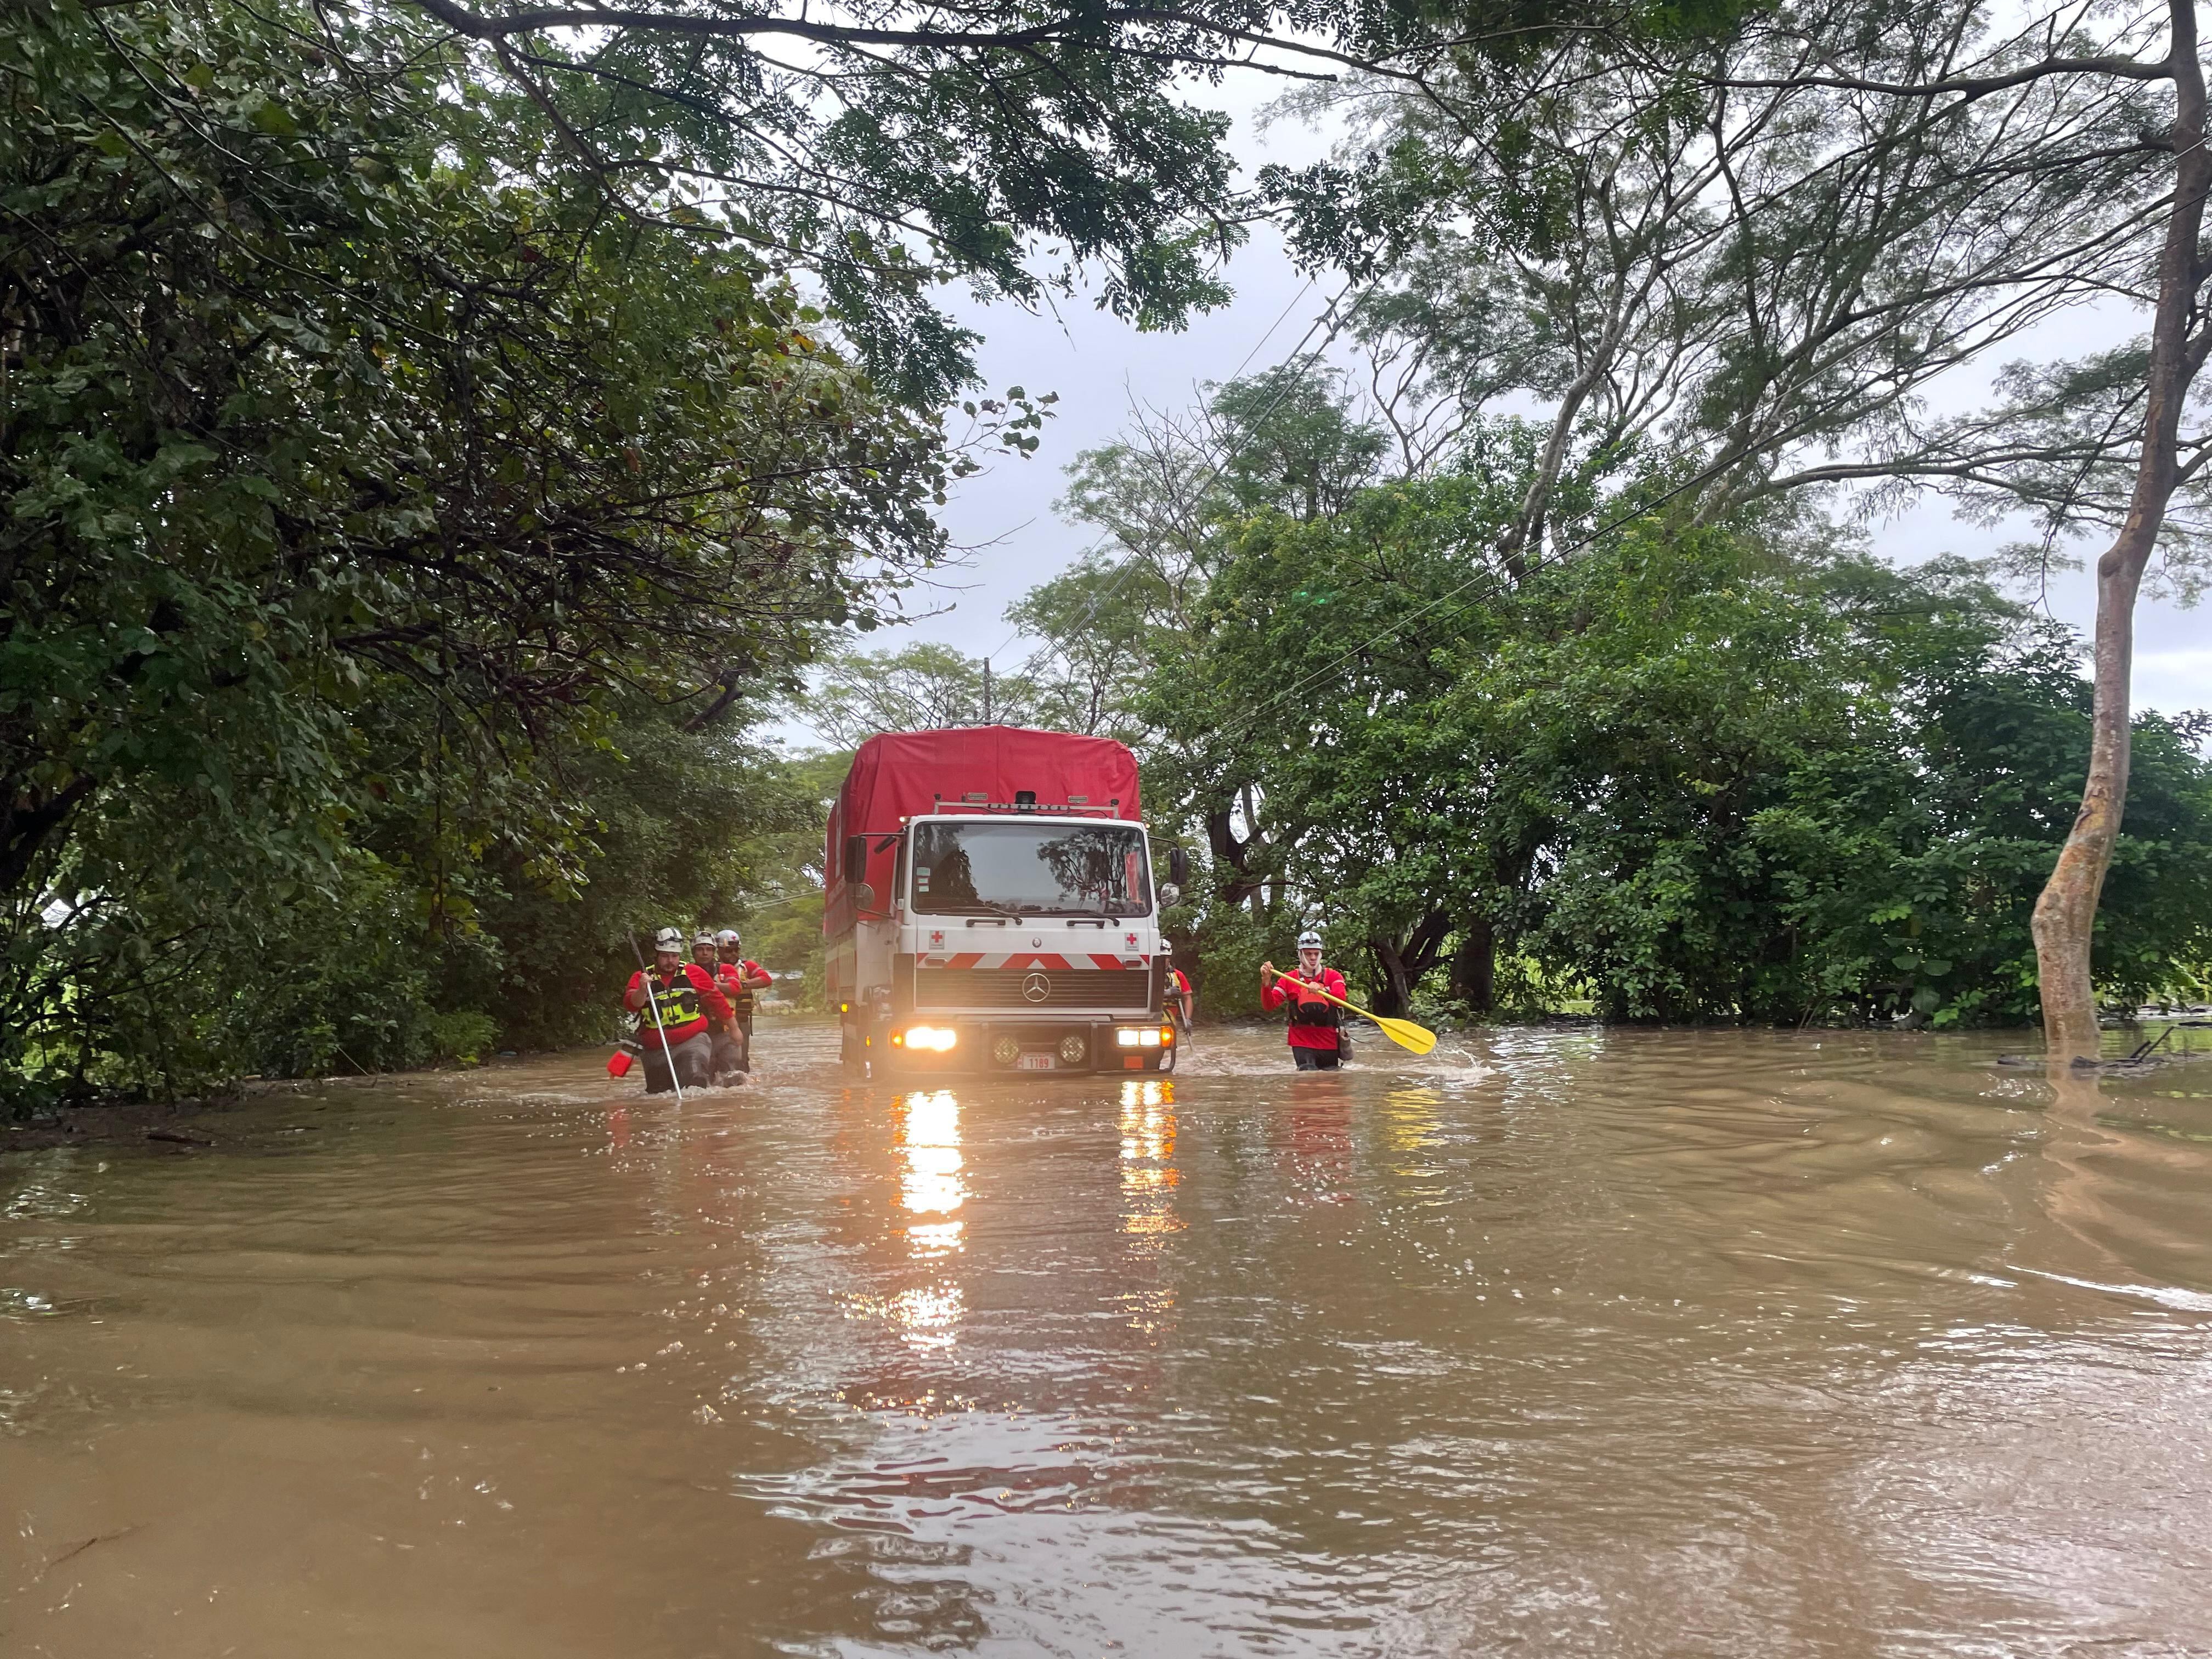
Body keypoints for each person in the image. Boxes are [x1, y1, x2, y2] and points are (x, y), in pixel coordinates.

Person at [624, 927, 733, 1093]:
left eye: (674, 956)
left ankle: (695, 1116)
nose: (670, 961)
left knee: (695, 1084)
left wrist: (734, 1029)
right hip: (656, 1047)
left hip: (692, 1041)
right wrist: (642, 990)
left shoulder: (694, 973)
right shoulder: (641, 978)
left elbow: (718, 1002)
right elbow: (632, 1005)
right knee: (658, 1093)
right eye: (665, 956)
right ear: (657, 955)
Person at [1261, 930, 1349, 1070]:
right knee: (1308, 1072)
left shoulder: (1333, 976)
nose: (1313, 957)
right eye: (1308, 954)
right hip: (1301, 1040)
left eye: (1316, 953)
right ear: (1300, 954)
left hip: (1329, 1039)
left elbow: (1340, 1000)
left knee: (1332, 1079)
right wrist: (1266, 983)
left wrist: (1323, 990)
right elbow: (1269, 1006)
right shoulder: (1288, 978)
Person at [690, 930, 747, 1084]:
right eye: (700, 949)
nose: (705, 953)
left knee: (733, 1078)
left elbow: (735, 988)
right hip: (698, 1033)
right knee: (703, 1078)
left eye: (709, 950)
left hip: (726, 1030)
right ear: (694, 952)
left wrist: (706, 985)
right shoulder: (686, 972)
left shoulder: (725, 969)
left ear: (714, 952)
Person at [714, 929, 775, 1068]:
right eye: (729, 950)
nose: (734, 954)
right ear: (719, 951)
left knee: (741, 1061)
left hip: (741, 1020)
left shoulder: (747, 967)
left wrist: (741, 984)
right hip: (717, 1022)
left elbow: (766, 979)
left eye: (736, 950)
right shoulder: (712, 968)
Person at [1167, 958, 1195, 1032]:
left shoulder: (1178, 975)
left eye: (1166, 957)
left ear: (1169, 958)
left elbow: (1187, 998)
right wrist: (1167, 992)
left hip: (1172, 1015)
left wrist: (1188, 1019)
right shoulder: (1150, 974)